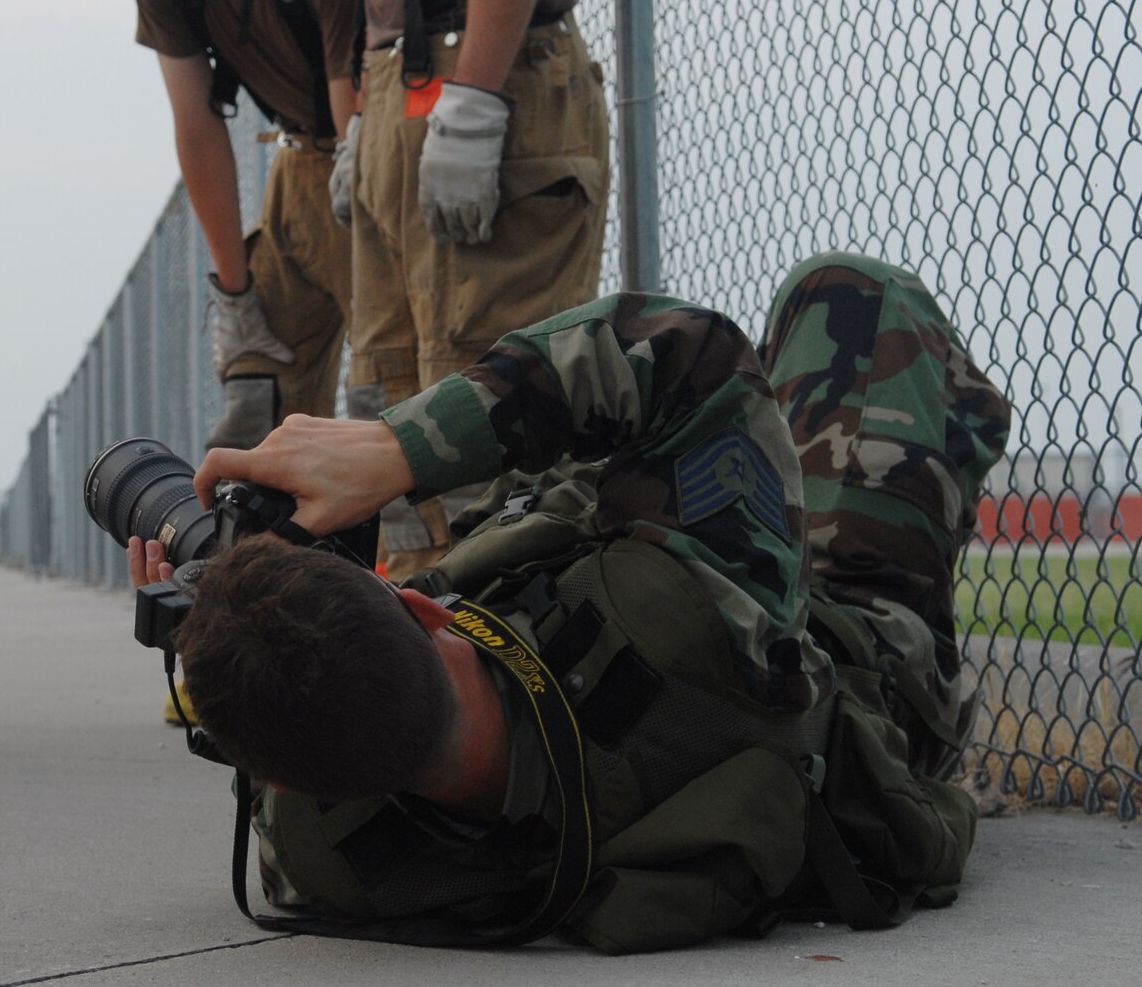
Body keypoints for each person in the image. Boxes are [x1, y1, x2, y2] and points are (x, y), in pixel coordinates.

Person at [128, 253, 1010, 951]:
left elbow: (295, 718)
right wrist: (397, 449)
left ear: (273, 773)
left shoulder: (324, 858)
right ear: (426, 612)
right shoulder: (684, 612)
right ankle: (940, 441)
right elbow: (691, 354)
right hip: (853, 663)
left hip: (680, 747)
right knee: (845, 293)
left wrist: (213, 625)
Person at [260, 0, 611, 580]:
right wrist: (370, 127)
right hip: (406, 94)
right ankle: (414, 633)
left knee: (487, 388)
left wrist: (475, 103)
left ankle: (504, 648)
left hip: (485, 89)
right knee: (391, 394)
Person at [85, 0, 362, 455]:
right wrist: (235, 295)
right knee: (259, 397)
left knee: (391, 383)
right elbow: (197, 126)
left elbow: (355, 122)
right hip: (297, 169)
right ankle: (283, 564)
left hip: (361, 170)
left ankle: (413, 564)